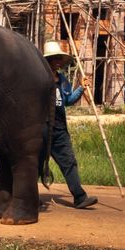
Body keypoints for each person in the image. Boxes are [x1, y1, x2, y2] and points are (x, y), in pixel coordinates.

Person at [43, 40, 98, 209]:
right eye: (54, 58)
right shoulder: (40, 79)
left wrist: (81, 88)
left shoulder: (63, 81)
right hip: (41, 128)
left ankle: (80, 197)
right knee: (34, 164)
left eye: (60, 58)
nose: (58, 61)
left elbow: (68, 101)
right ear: (47, 61)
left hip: (59, 129)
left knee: (69, 161)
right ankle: (26, 198)